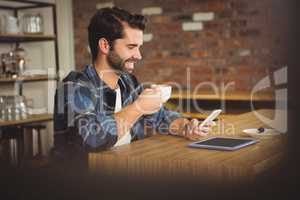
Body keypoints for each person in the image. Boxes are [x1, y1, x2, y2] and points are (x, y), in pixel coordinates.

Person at [52, 7, 214, 156]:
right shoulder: (75, 86)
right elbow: (91, 139)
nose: (138, 55)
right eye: (131, 47)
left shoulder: (128, 82)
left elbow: (162, 117)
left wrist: (186, 128)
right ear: (105, 45)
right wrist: (139, 107)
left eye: (139, 47)